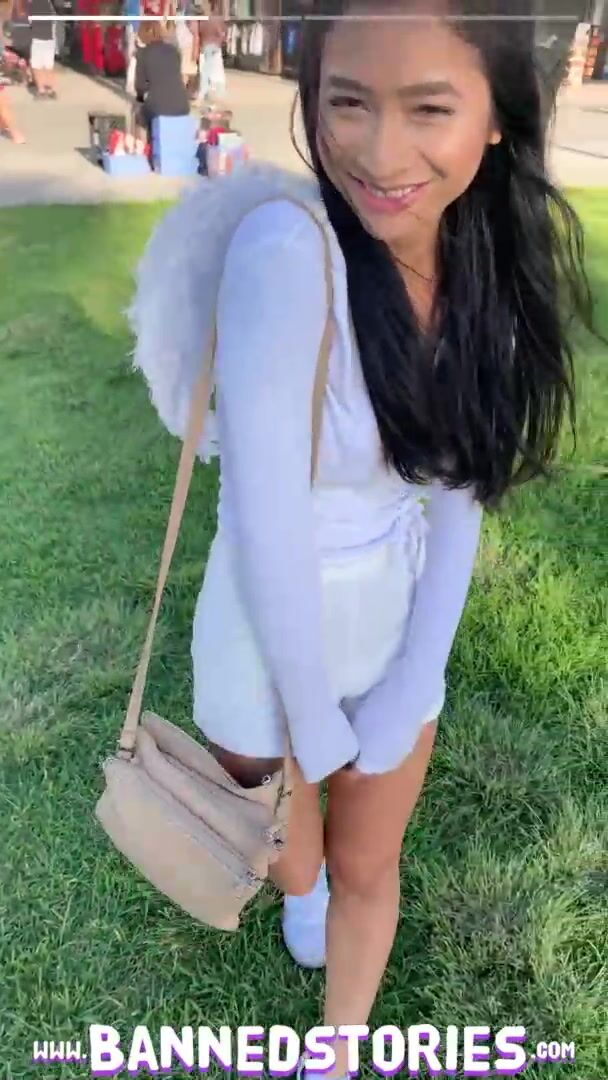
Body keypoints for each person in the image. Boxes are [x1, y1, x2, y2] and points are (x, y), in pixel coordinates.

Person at [131, 3, 599, 1079]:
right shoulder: (284, 253)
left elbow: (459, 494)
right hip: (264, 633)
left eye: (428, 109)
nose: (381, 156)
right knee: (289, 860)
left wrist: (412, 683)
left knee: (369, 865)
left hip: (387, 617)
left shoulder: (483, 266)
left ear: (495, 115)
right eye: (348, 103)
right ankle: (305, 894)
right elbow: (264, 512)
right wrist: (311, 720)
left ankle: (336, 1054)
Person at [133, 20, 189, 143]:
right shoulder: (174, 51)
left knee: (138, 113)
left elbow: (140, 86)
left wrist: (139, 99)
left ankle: (142, 148)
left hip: (158, 107)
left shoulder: (142, 54)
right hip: (182, 104)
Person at [197, 0, 225, 105]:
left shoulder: (212, 19)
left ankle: (201, 97)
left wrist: (217, 46)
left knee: (206, 73)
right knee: (212, 73)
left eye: (204, 3)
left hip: (211, 48)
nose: (202, 5)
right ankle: (216, 95)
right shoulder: (204, 18)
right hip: (207, 48)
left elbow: (221, 34)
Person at [28, 0, 57, 97]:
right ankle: (51, 90)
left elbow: (28, 22)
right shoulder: (48, 4)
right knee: (48, 65)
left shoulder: (32, 4)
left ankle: (41, 90)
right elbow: (54, 21)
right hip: (49, 38)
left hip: (38, 38)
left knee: (37, 66)